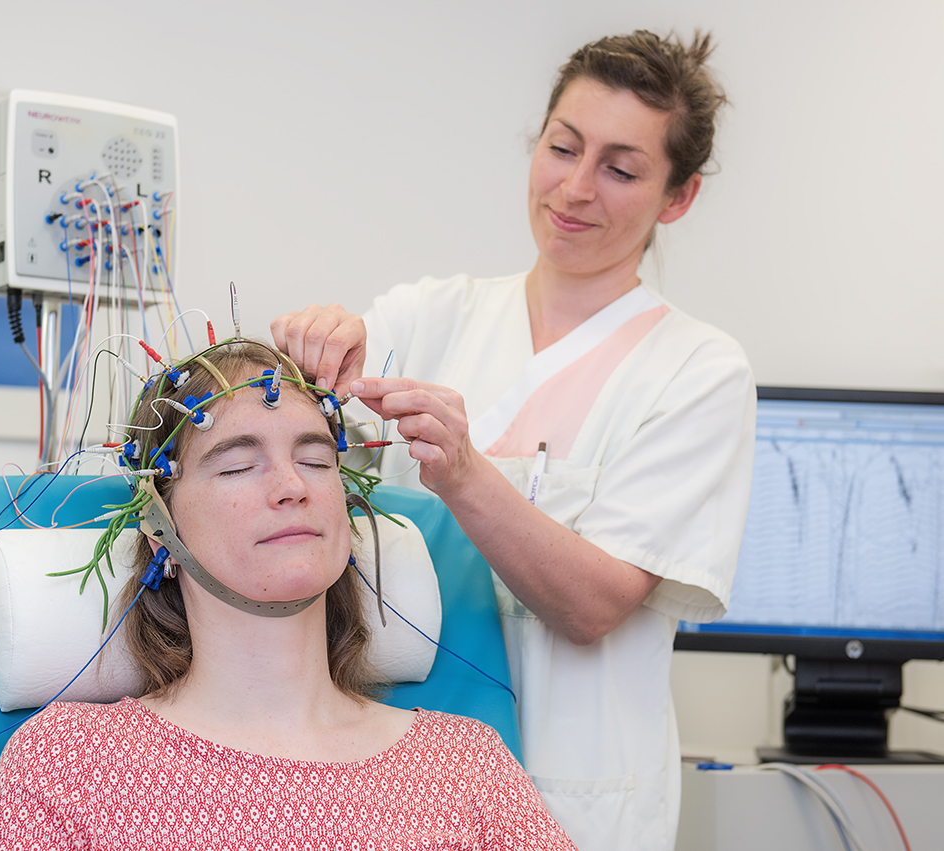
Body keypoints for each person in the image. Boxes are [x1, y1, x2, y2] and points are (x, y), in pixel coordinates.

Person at [271, 30, 757, 851]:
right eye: (561, 147)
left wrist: (464, 473)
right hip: (400, 782)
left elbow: (593, 604)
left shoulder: (699, 371)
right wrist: (308, 348)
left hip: (573, 793)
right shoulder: (431, 315)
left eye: (621, 168)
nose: (573, 188)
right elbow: (299, 439)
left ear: (679, 197)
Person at [0, 341, 577, 850]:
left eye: (316, 460)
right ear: (161, 535)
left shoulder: (466, 768)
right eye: (236, 467)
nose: (292, 487)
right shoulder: (65, 768)